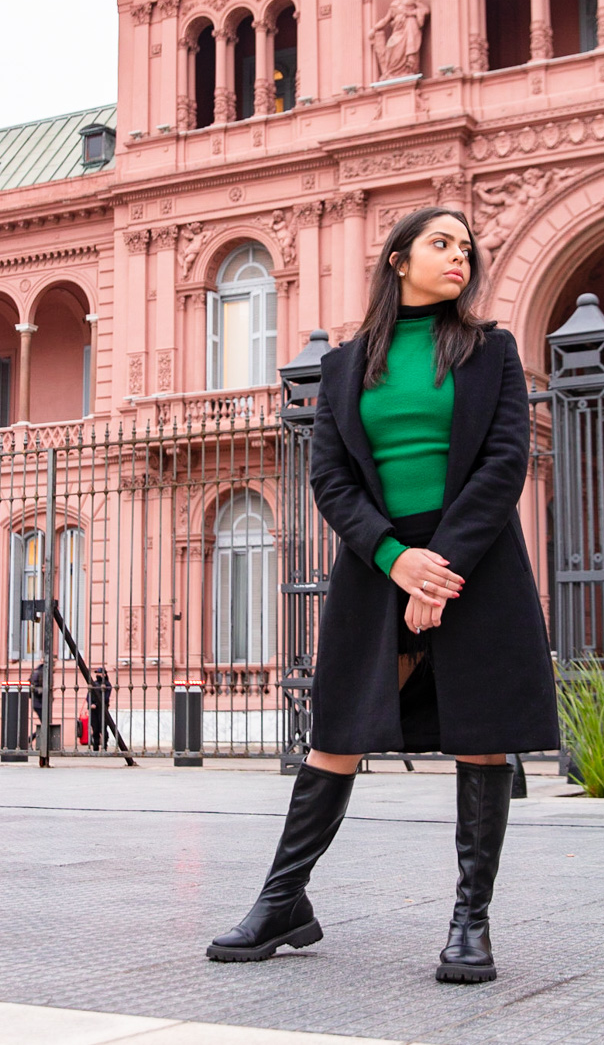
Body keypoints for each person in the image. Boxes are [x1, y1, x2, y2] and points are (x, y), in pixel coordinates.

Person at [207, 206, 560, 983]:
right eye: (442, 244)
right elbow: (330, 479)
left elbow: (506, 461)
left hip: (475, 560)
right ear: (398, 258)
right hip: (377, 564)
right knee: (337, 729)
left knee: (481, 730)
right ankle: (282, 900)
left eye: (467, 248)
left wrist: (441, 565)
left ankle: (471, 921)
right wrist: (399, 560)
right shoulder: (344, 364)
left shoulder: (490, 351)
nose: (459, 257)